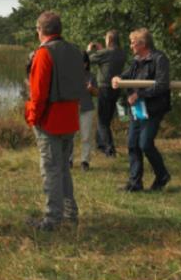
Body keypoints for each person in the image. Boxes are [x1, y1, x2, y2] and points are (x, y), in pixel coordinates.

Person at [25, 11, 86, 231]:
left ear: (40, 30)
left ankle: (52, 218)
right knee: (62, 168)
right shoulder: (75, 51)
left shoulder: (44, 54)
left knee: (50, 169)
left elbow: (39, 93)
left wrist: (32, 118)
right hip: (70, 117)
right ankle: (70, 214)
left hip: (50, 119)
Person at [112, 28, 172, 192]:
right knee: (132, 144)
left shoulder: (159, 59)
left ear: (142, 44)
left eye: (133, 43)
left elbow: (161, 85)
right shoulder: (137, 60)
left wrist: (140, 94)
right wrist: (118, 78)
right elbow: (126, 76)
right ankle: (135, 183)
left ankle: (162, 176)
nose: (131, 46)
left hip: (153, 109)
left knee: (145, 144)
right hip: (137, 109)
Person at [87, 30, 126, 158]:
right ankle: (100, 145)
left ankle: (110, 150)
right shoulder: (121, 52)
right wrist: (102, 50)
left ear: (109, 40)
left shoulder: (105, 53)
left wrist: (90, 50)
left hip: (104, 88)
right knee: (106, 118)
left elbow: (87, 61)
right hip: (117, 88)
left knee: (103, 121)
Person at [69, 51, 98, 172]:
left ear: (86, 64)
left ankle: (85, 161)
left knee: (86, 136)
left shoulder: (91, 76)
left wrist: (91, 89)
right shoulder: (69, 76)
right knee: (69, 136)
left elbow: (97, 94)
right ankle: (68, 160)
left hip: (87, 109)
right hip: (72, 109)